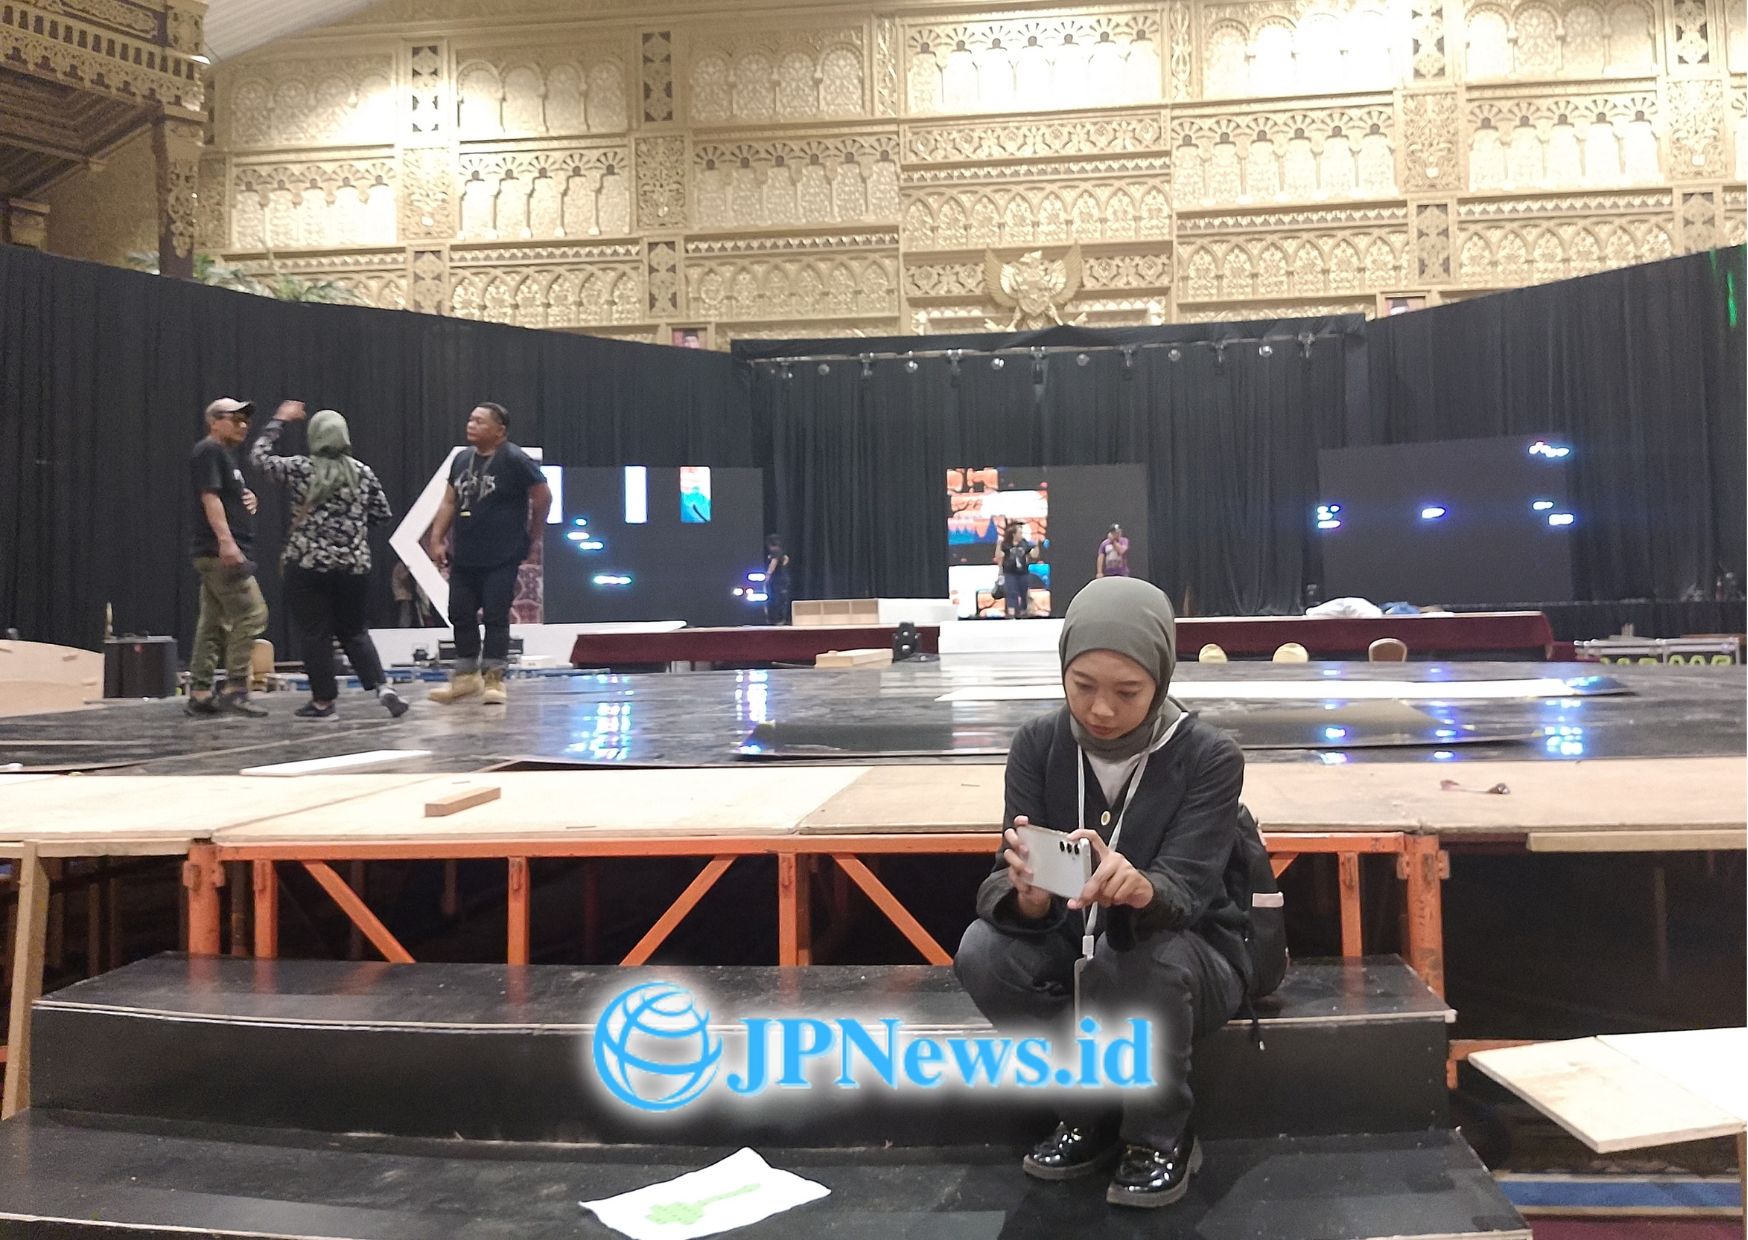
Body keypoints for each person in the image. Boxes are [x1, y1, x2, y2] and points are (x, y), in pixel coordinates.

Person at [954, 577, 1249, 1209]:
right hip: (1075, 943)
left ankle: (1160, 1135)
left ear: (1161, 679)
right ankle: (1084, 1111)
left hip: (1185, 959)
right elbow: (1003, 874)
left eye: (1127, 692)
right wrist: (1028, 897)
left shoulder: (1209, 756)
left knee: (1136, 957)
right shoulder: (1038, 744)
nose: (1102, 710)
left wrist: (1142, 889)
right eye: (1083, 686)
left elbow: (1189, 893)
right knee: (984, 952)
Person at [250, 402, 406, 721]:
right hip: (354, 567)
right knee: (355, 631)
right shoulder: (363, 472)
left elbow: (259, 458)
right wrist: (351, 526)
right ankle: (383, 688)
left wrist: (278, 421)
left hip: (308, 565)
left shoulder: (301, 467)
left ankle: (323, 702)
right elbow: (383, 514)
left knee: (315, 633)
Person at [424, 402, 550, 706]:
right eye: (471, 419)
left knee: (495, 614)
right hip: (466, 553)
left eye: (480, 421)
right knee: (459, 612)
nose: (471, 425)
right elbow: (449, 501)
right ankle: (466, 677)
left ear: (499, 431)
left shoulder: (514, 459)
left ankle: (494, 679)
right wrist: (437, 539)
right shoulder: (461, 459)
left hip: (502, 554)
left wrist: (533, 535)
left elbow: (543, 496)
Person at [186, 397, 269, 718]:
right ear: (214, 421)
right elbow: (210, 497)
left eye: (245, 420)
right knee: (253, 614)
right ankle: (236, 688)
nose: (243, 425)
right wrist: (227, 542)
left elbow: (222, 496)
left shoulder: (222, 456)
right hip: (219, 552)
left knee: (213, 623)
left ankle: (200, 692)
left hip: (215, 552)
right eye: (235, 419)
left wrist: (248, 498)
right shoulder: (209, 451)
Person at [996, 521, 1035, 618]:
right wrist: (998, 546)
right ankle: (1011, 613)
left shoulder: (1024, 543)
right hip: (1010, 572)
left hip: (1023, 572)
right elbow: (999, 557)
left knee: (1023, 592)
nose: (1021, 535)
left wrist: (1036, 546)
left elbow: (1033, 555)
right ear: (1014, 534)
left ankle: (1023, 611)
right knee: (1011, 592)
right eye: (1020, 533)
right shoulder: (1006, 544)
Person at [764, 534, 792, 626]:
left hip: (778, 579)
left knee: (777, 599)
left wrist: (768, 575)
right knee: (782, 599)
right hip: (782, 578)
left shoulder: (775, 551)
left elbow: (774, 562)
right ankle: (781, 619)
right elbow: (786, 559)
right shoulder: (781, 551)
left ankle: (777, 619)